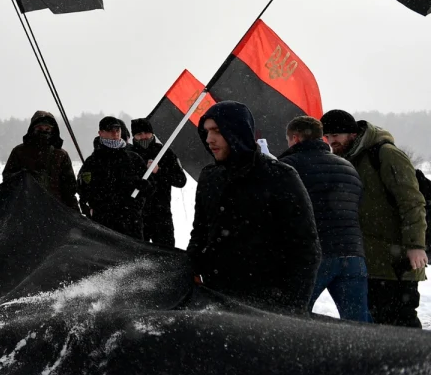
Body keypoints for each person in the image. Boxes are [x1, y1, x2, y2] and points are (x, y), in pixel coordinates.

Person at [188, 101, 320, 315]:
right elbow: (200, 233)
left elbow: (305, 249)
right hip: (216, 299)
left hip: (267, 305)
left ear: (237, 132)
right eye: (206, 132)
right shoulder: (209, 177)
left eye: (217, 131)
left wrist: (293, 308)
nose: (209, 139)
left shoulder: (280, 176)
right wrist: (191, 270)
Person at [322, 109, 427, 328]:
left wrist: (415, 245)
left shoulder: (385, 154)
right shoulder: (347, 158)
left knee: (401, 323)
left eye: (336, 136)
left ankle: (418, 361)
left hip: (396, 262)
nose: (332, 141)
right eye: (328, 136)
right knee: (376, 324)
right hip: (368, 261)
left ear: (352, 133)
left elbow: (412, 202)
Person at [277, 116, 368, 322]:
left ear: (295, 138)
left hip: (313, 256)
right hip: (353, 253)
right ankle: (367, 354)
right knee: (359, 323)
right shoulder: (348, 167)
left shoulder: (288, 166)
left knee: (291, 319)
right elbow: (357, 205)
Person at [77, 117, 152, 239]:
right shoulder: (92, 162)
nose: (115, 133)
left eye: (117, 129)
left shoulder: (134, 158)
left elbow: (150, 188)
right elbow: (83, 191)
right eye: (110, 129)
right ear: (100, 133)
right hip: (103, 225)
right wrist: (91, 210)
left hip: (131, 224)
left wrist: (143, 188)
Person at [1, 111, 79, 212]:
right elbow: (8, 180)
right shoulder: (19, 152)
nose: (44, 131)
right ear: (33, 129)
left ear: (52, 130)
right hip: (25, 211)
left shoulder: (60, 155)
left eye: (47, 129)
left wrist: (75, 214)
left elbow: (69, 189)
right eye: (39, 128)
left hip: (55, 213)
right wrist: (23, 177)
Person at [129, 118, 187, 248]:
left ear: (152, 133)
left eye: (146, 133)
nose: (144, 137)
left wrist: (159, 171)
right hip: (136, 217)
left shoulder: (165, 152)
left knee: (166, 256)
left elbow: (180, 180)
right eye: (139, 134)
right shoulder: (129, 155)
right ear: (133, 136)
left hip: (161, 215)